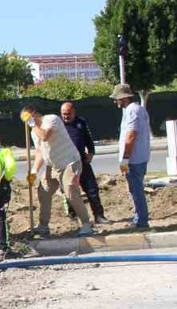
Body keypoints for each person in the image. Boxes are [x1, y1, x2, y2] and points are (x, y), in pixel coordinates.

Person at [21, 104, 94, 238]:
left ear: (34, 114)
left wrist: (31, 123)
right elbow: (40, 152)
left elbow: (45, 136)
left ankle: (86, 224)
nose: (26, 122)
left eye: (27, 118)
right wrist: (34, 171)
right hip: (53, 165)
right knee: (43, 191)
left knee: (71, 191)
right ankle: (43, 226)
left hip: (69, 162)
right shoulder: (33, 132)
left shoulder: (51, 119)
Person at [59, 101, 108, 224]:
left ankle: (99, 215)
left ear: (74, 112)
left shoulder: (81, 122)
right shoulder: (58, 125)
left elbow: (88, 139)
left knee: (92, 189)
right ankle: (73, 217)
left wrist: (91, 152)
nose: (66, 116)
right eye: (63, 114)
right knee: (70, 191)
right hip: (66, 163)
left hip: (82, 161)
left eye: (68, 113)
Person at [112, 83, 151, 229]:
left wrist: (125, 159)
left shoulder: (132, 111)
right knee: (135, 189)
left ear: (124, 98)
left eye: (117, 98)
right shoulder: (137, 109)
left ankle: (141, 220)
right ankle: (139, 218)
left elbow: (131, 136)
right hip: (138, 157)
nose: (115, 101)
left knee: (136, 190)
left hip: (134, 159)